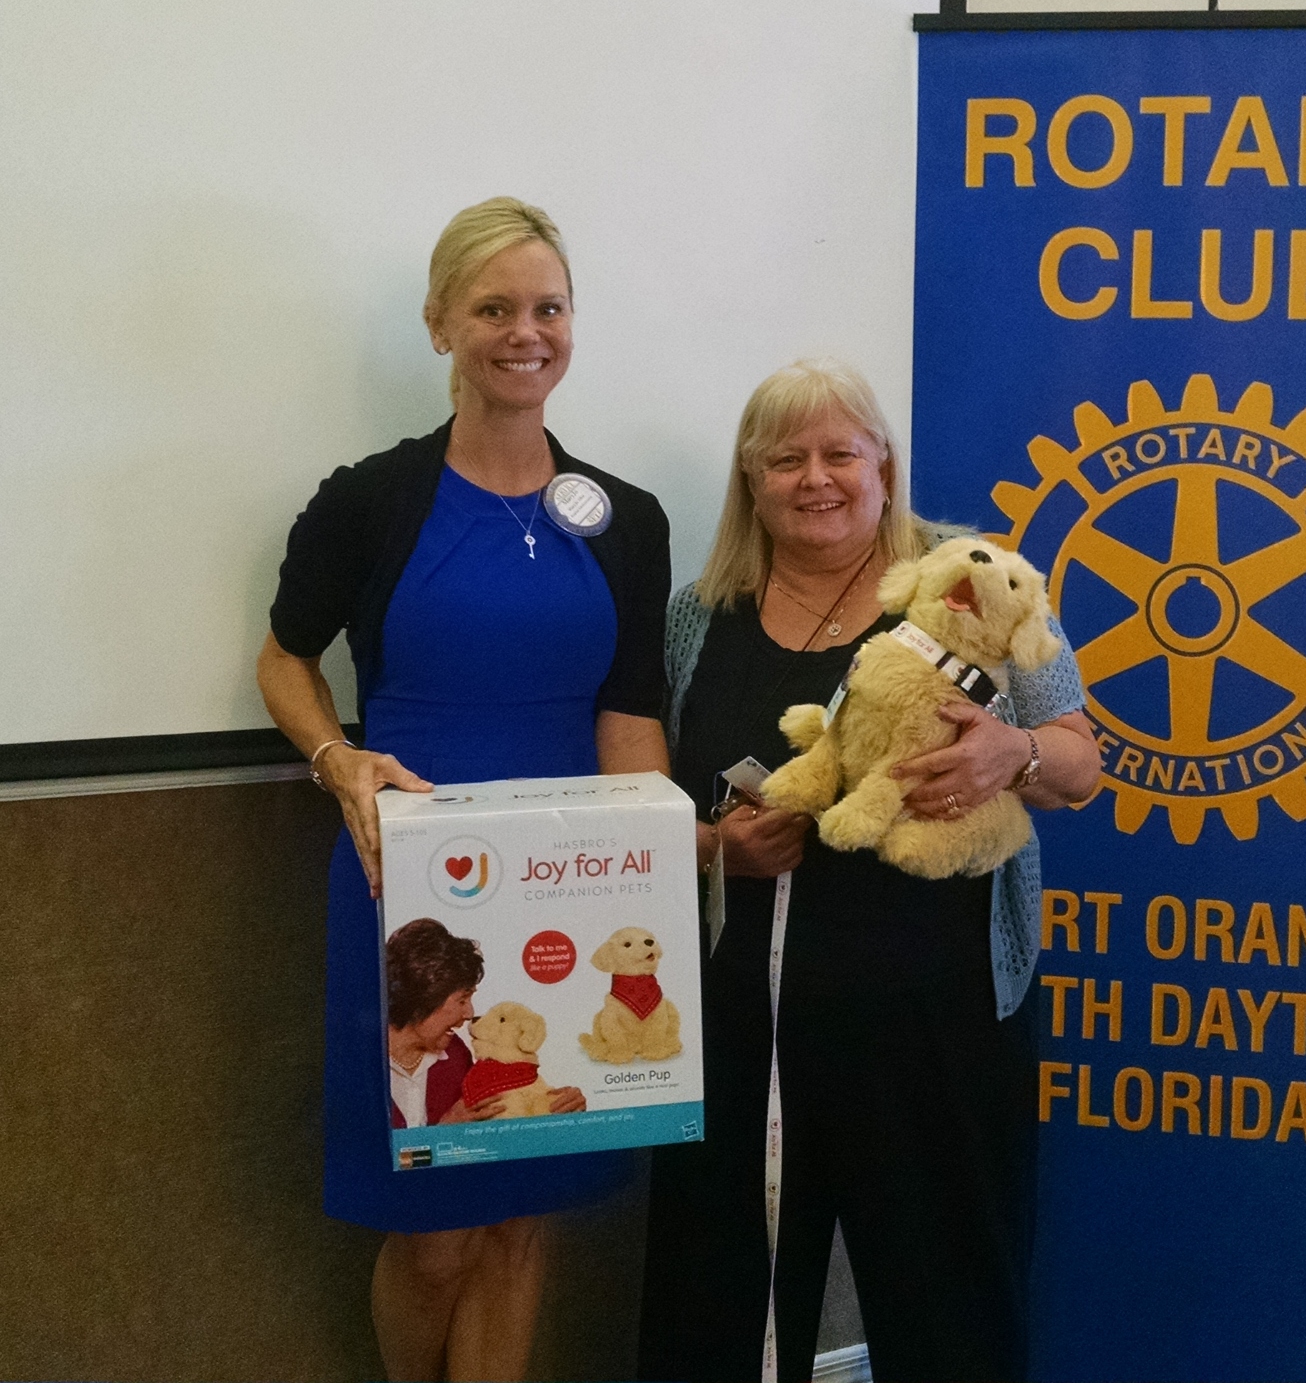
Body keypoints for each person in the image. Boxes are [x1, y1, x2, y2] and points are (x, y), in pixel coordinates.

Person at [256, 197, 672, 1383]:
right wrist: (336, 759)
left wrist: (657, 866)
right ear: (441, 323)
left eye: (548, 307)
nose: (524, 332)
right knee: (433, 1234)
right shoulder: (370, 501)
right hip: (410, 903)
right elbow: (283, 658)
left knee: (521, 1222)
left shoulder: (627, 520)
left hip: (568, 905)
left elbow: (629, 716)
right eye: (493, 308)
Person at [635, 359, 1101, 1382]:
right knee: (716, 1307)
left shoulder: (969, 576)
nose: (816, 478)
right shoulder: (695, 614)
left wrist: (1011, 753)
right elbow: (654, 802)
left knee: (949, 1312)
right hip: (741, 1030)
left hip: (937, 1024)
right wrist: (717, 845)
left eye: (840, 453)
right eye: (785, 459)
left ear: (884, 465)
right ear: (749, 478)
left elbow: (1081, 762)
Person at [383, 918, 586, 1130]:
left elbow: (504, 1124)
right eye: (462, 1000)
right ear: (422, 997)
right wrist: (442, 1132)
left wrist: (559, 1107)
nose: (469, 1013)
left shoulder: (456, 1056)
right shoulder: (364, 1063)